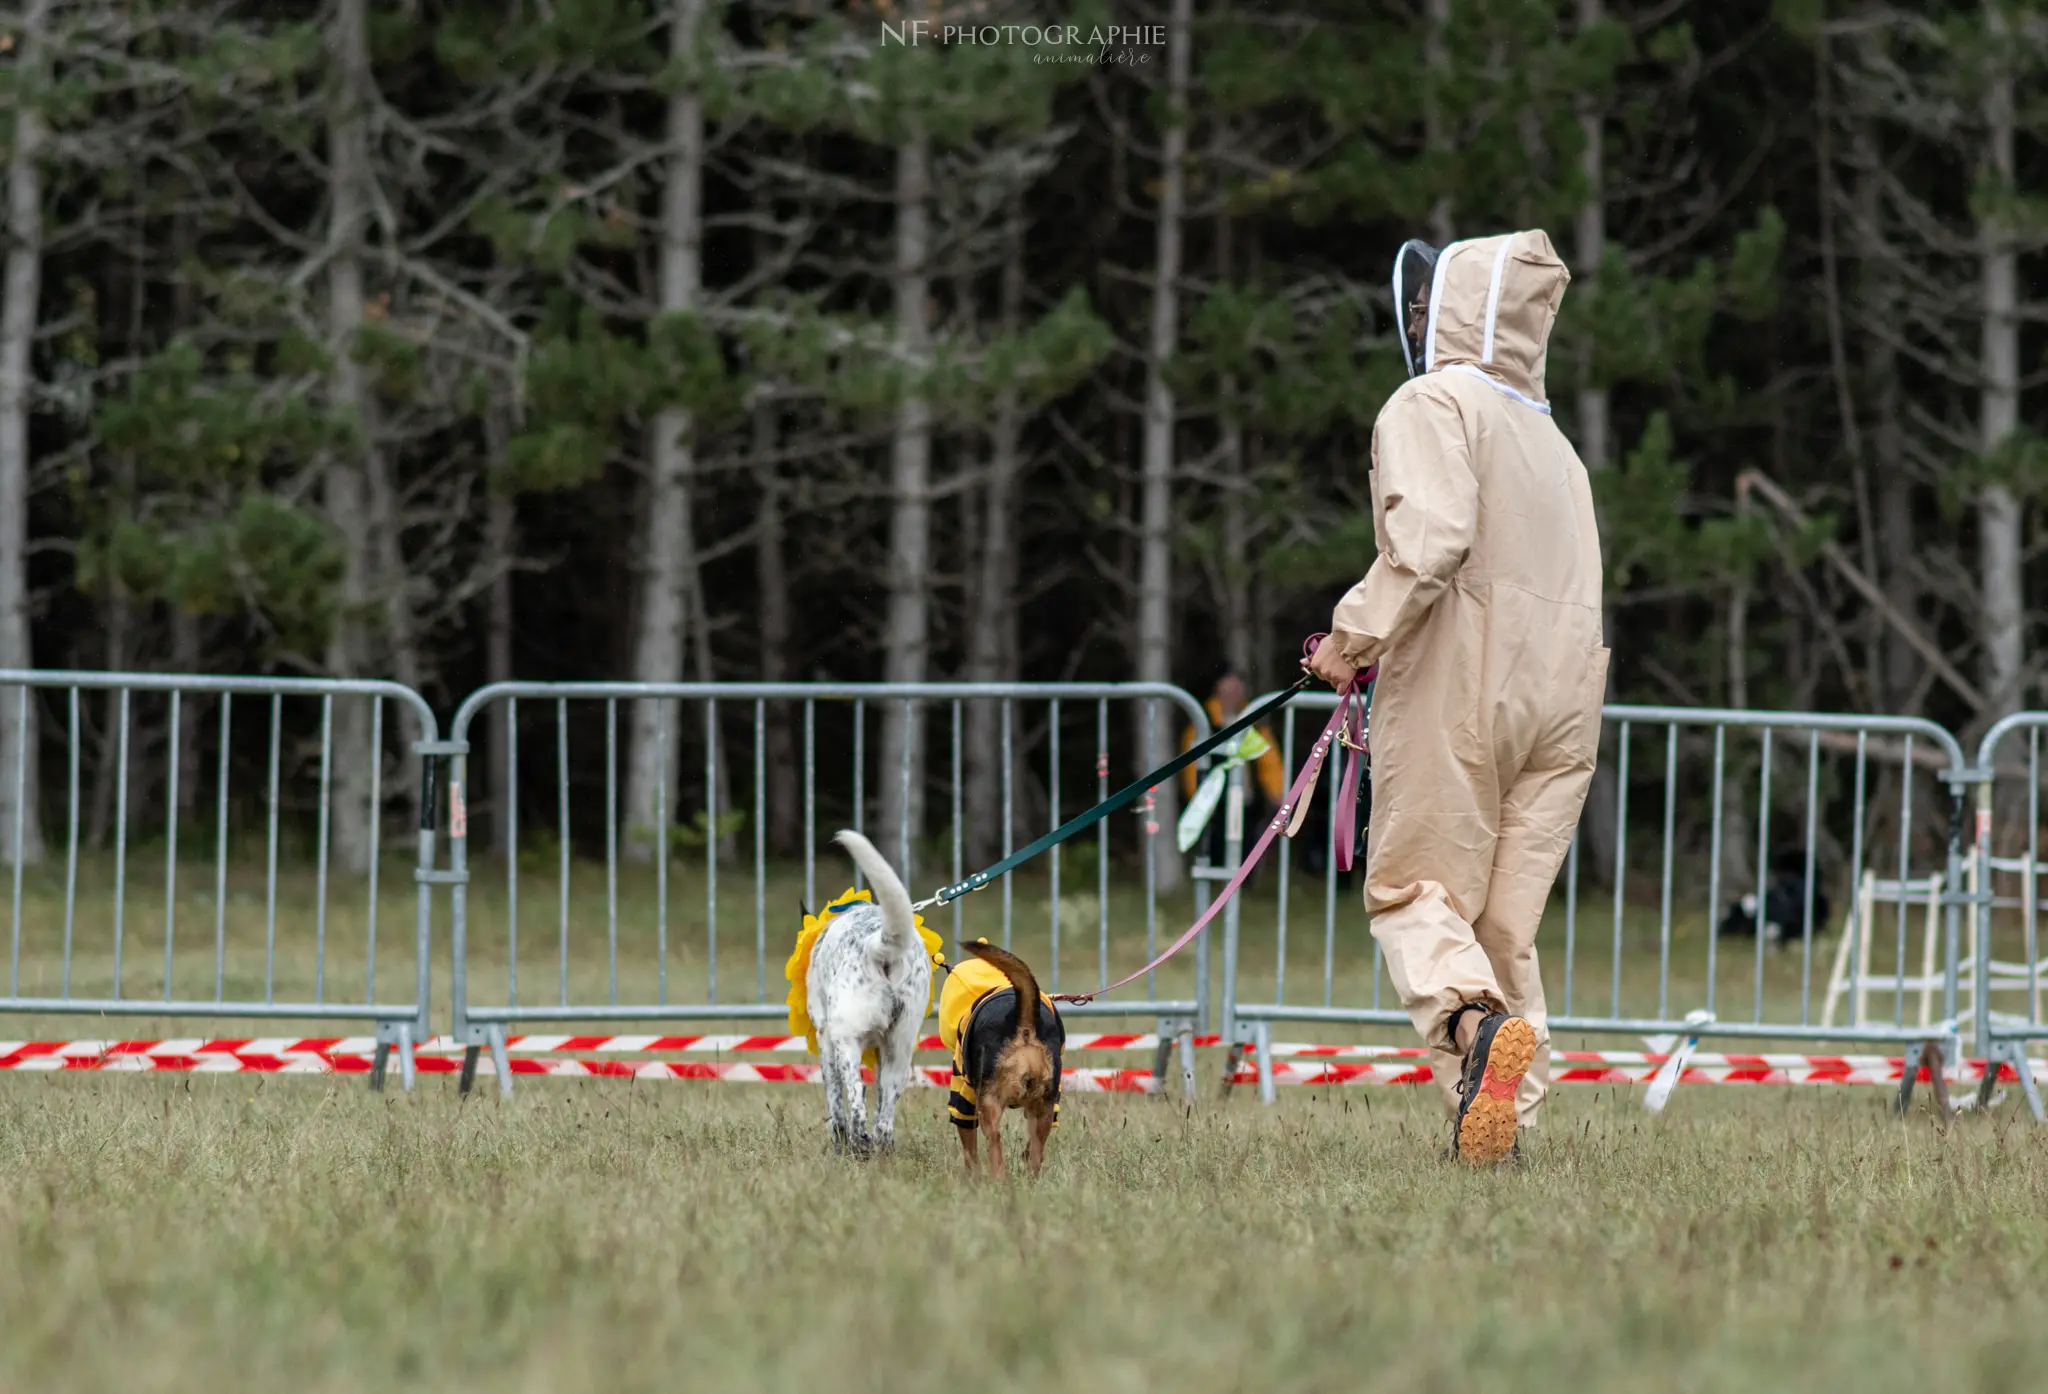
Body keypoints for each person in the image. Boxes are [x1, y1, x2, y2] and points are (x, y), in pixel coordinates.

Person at [1304, 231, 1607, 1168]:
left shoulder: (1433, 400)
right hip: (1563, 705)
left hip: (1466, 684)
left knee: (1413, 890)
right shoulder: (1558, 446)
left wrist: (1347, 644)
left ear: (1456, 315)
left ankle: (1476, 1038)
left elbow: (1429, 543)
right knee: (1499, 929)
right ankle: (1499, 1130)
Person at [1179, 668, 1288, 874]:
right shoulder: (1203, 721)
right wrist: (1196, 796)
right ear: (1217, 687)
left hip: (1246, 796)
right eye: (1228, 684)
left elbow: (1269, 759)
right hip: (1212, 797)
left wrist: (1276, 793)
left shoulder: (1254, 719)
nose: (1233, 690)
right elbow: (1191, 762)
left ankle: (1244, 884)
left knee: (1247, 841)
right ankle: (1214, 883)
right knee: (1213, 843)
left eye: (1238, 685)